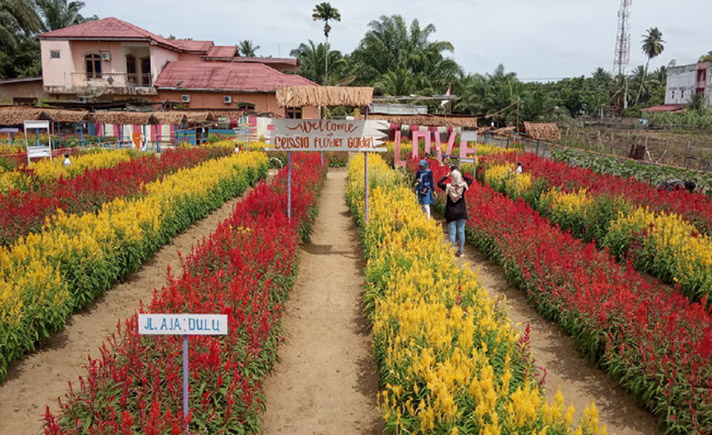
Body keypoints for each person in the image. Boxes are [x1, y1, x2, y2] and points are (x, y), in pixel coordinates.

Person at [438, 166, 473, 257]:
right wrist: (462, 177)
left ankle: (450, 252)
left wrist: (446, 176)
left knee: (452, 233)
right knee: (461, 232)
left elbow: (439, 183)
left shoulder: (448, 187)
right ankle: (460, 251)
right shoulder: (463, 187)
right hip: (461, 212)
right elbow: (470, 180)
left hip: (451, 213)